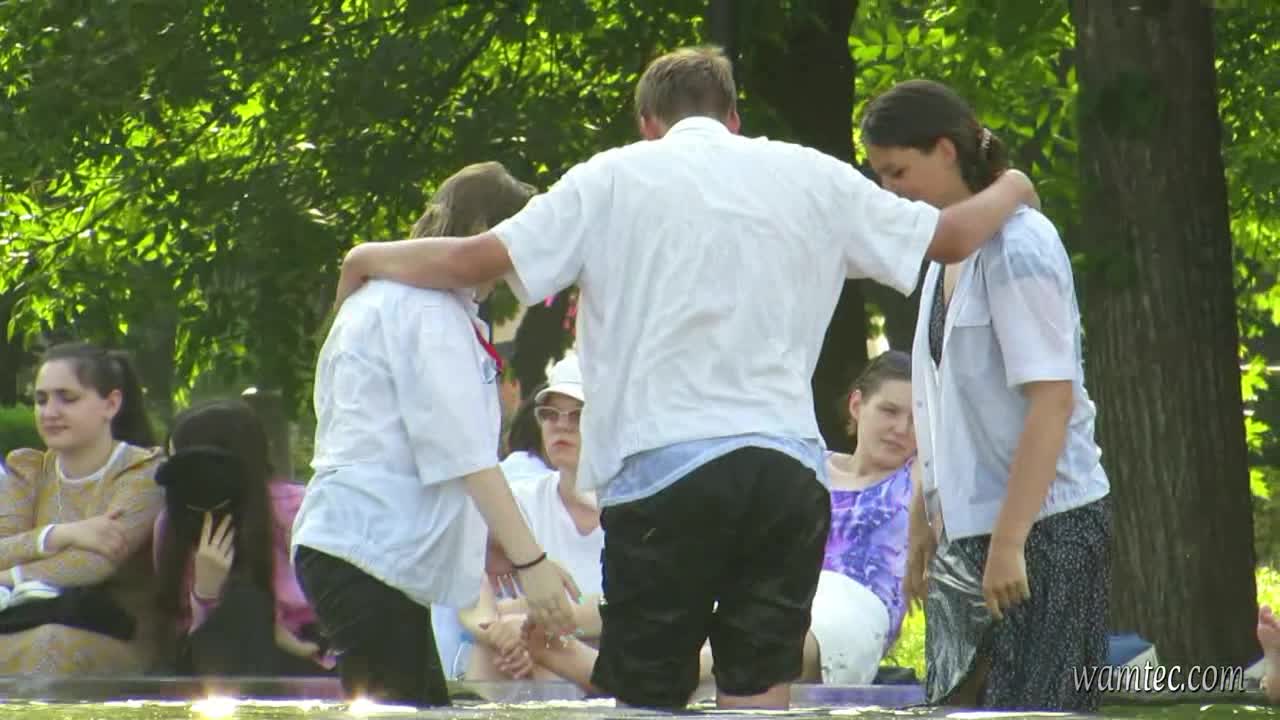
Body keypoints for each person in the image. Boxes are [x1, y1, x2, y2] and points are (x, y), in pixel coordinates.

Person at [331, 46, 1038, 710]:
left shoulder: (610, 178)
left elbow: (472, 260)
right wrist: (1011, 184)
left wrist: (367, 256)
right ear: (734, 116)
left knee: (652, 696)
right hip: (783, 475)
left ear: (648, 123)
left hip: (663, 476)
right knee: (759, 693)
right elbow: (949, 237)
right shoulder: (811, 174)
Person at [861, 79, 1111, 712]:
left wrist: (1009, 541)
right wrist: (922, 523)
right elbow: (942, 410)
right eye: (880, 175)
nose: (889, 189)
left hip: (1045, 530)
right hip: (965, 533)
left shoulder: (1022, 245)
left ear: (945, 150)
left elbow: (1052, 401)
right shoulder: (944, 254)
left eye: (898, 171)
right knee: (955, 707)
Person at [290, 161, 578, 707]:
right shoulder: (427, 312)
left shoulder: (398, 300)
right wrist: (532, 563)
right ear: (485, 233)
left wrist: (489, 543)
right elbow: (466, 456)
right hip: (368, 551)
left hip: (365, 550)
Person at [0, 342, 166, 674]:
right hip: (20, 618)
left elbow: (94, 563)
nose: (50, 412)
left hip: (117, 634)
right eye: (41, 399)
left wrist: (11, 576)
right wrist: (60, 534)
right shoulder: (28, 469)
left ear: (111, 404)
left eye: (68, 398)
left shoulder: (143, 471)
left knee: (48, 645)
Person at [153, 399, 329, 676]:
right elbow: (186, 632)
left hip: (305, 658)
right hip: (217, 667)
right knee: (240, 606)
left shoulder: (296, 510)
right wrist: (205, 595)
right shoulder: (171, 523)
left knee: (246, 602)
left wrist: (277, 631)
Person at [456, 354, 603, 682]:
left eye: (577, 414)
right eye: (549, 414)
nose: (561, 425)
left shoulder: (636, 507)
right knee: (496, 649)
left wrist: (528, 620)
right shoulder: (519, 499)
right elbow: (467, 580)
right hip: (537, 669)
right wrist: (498, 632)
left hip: (613, 660)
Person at [802, 350, 916, 685]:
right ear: (856, 405)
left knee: (769, 649)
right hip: (786, 593)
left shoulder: (921, 479)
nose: (902, 428)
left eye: (917, 417)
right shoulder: (809, 465)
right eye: (889, 411)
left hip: (856, 610)